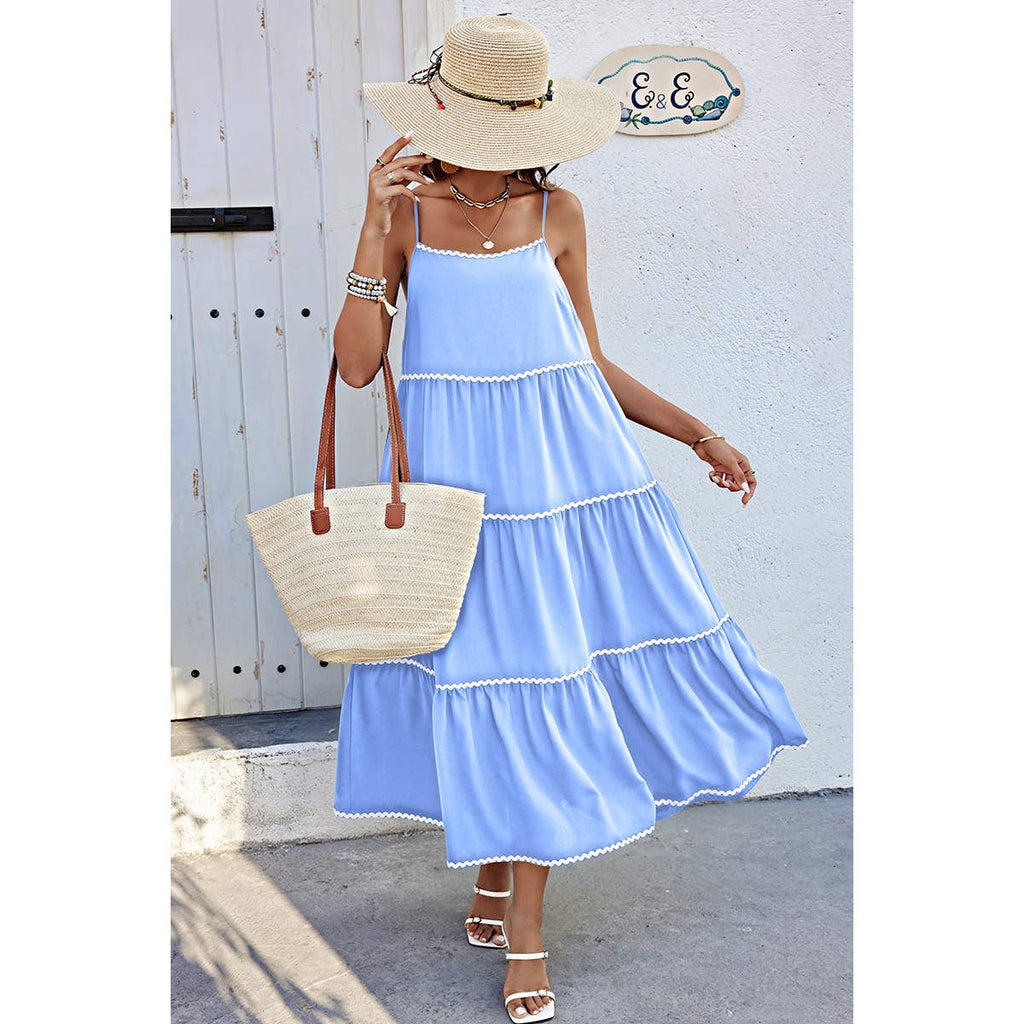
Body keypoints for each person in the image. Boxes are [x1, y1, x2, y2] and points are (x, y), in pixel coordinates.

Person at [331, 15, 808, 1023]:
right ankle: (493, 873)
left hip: (558, 494)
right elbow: (360, 365)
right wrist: (372, 229)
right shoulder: (404, 216)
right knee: (488, 684)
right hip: (454, 501)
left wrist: (698, 433)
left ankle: (524, 926)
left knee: (539, 680)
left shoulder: (558, 213)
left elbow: (587, 361)